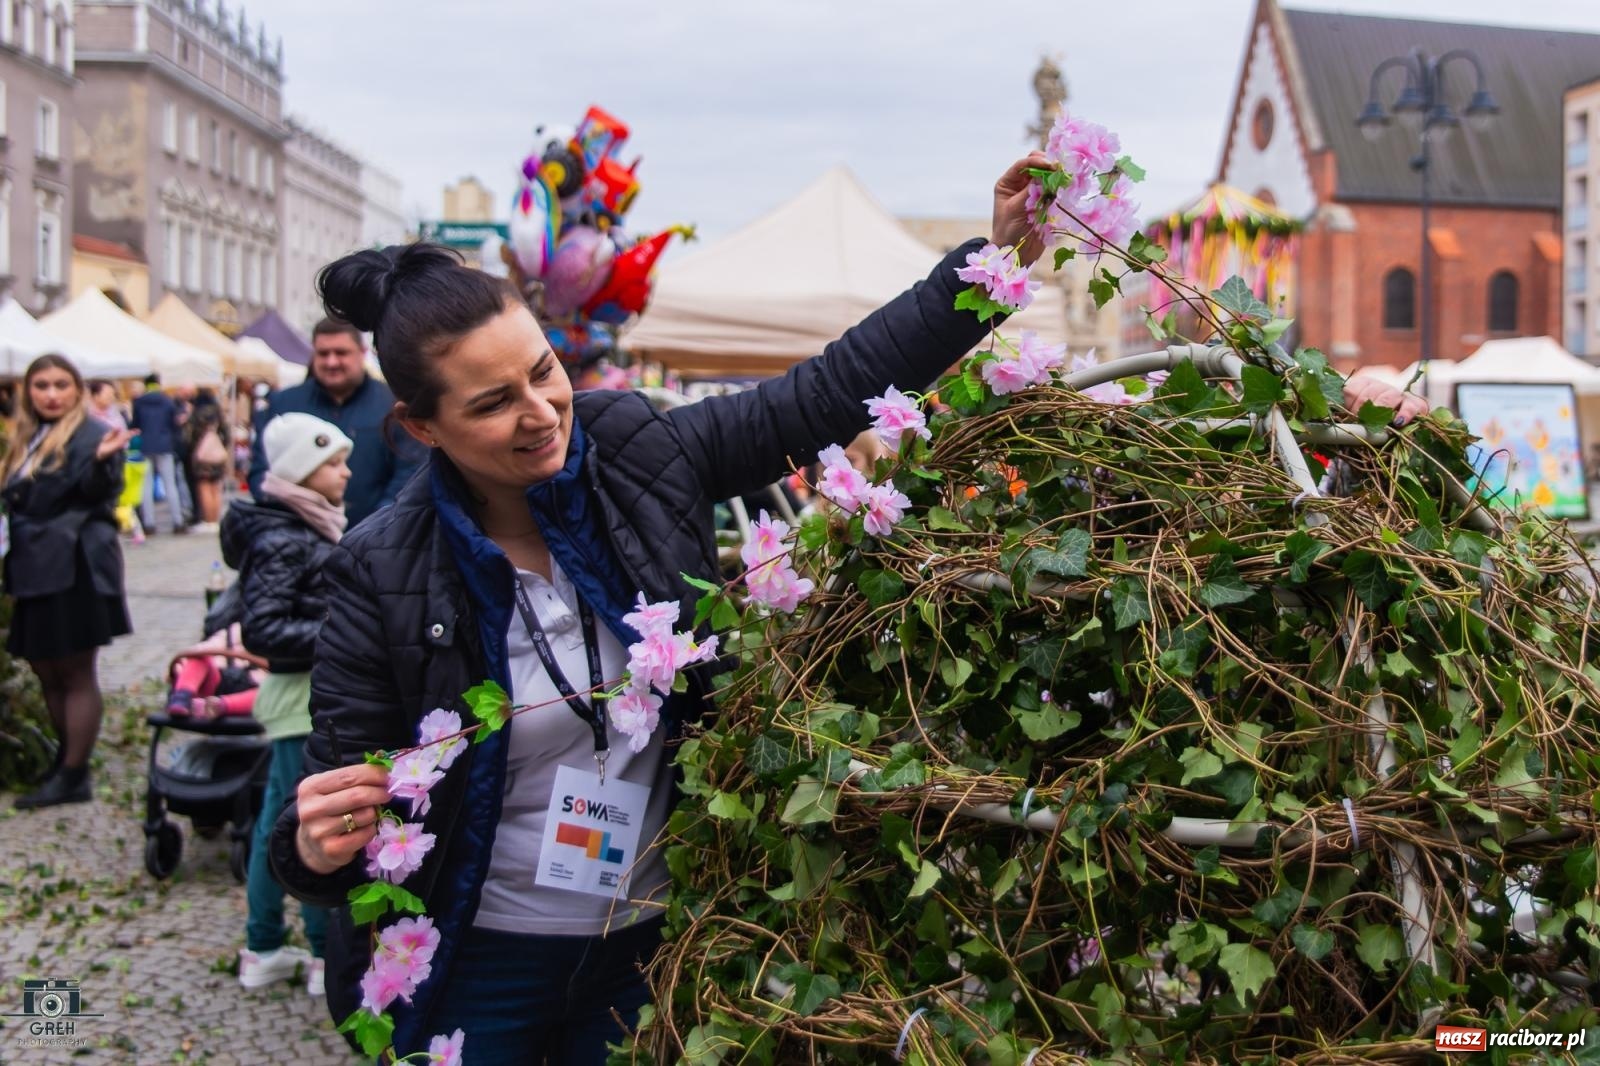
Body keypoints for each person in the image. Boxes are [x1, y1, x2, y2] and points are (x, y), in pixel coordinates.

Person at [268, 156, 1431, 1062]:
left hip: (648, 936)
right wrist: (314, 851)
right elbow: (345, 799)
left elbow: (818, 395)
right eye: (491, 404)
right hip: (480, 954)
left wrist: (985, 265)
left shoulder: (630, 449)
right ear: (419, 429)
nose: (538, 411)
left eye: (542, 372)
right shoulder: (381, 567)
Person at [225, 411, 352, 997]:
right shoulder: (285, 535)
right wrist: (345, 631)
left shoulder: (306, 524)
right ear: (304, 470)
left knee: (285, 820)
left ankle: (269, 945)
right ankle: (305, 950)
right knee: (302, 826)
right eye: (333, 462)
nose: (346, 472)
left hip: (305, 698)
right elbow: (264, 629)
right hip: (298, 701)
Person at [2, 354, 133, 808]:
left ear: (77, 390)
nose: (52, 394)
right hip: (35, 566)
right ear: (28, 391)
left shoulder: (93, 435)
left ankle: (74, 774)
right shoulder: (29, 436)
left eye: (61, 384)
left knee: (74, 672)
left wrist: (99, 464)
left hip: (74, 566)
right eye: (42, 385)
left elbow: (100, 490)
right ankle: (65, 761)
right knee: (46, 669)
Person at [249, 318, 424, 528]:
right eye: (323, 354)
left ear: (362, 352)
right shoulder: (283, 404)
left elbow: (409, 473)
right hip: (297, 537)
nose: (331, 362)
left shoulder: (392, 405)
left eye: (341, 353)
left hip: (377, 539)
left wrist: (376, 528)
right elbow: (262, 472)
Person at [129, 373, 186, 534]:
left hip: (146, 445)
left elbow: (135, 424)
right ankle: (178, 521)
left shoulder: (139, 402)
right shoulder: (167, 400)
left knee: (146, 485)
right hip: (165, 446)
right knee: (170, 484)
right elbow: (174, 425)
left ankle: (149, 523)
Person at [185, 389, 229, 530]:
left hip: (202, 457)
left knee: (204, 487)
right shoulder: (217, 413)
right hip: (217, 456)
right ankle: (215, 520)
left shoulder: (196, 414)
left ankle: (208, 520)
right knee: (216, 488)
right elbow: (226, 434)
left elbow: (188, 436)